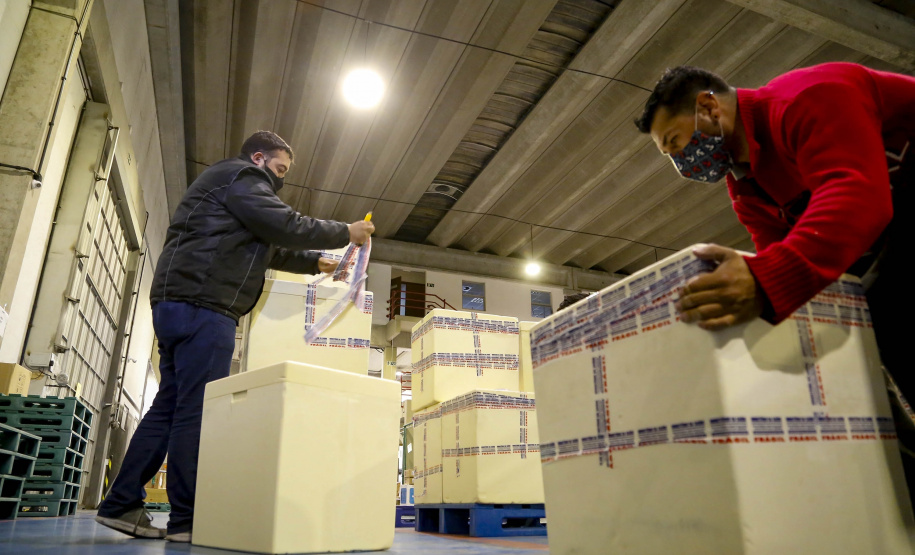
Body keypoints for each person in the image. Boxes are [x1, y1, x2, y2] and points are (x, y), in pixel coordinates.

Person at [635, 62, 914, 489]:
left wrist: (766, 280)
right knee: (871, 329)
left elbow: (857, 194)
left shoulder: (805, 98)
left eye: (676, 143)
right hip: (890, 232)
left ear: (709, 107)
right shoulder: (748, 189)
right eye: (671, 158)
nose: (682, 163)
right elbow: (778, 254)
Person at [95, 131, 375, 542]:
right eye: (279, 170)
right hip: (204, 305)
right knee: (196, 412)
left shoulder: (228, 192)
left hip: (179, 303)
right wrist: (343, 232)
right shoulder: (242, 177)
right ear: (259, 158)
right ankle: (187, 520)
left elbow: (269, 248)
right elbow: (284, 224)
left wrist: (318, 263)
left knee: (170, 407)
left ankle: (121, 504)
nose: (279, 181)